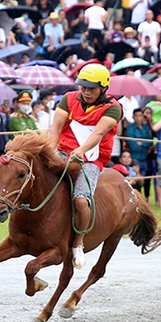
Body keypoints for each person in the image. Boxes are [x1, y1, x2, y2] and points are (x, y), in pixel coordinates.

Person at [47, 63, 123, 270]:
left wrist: (81, 150)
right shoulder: (69, 98)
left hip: (91, 158)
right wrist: (49, 152)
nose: (86, 92)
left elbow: (98, 134)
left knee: (81, 201)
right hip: (63, 151)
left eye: (91, 88)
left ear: (103, 88)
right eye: (83, 87)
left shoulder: (113, 108)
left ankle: (78, 244)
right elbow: (55, 129)